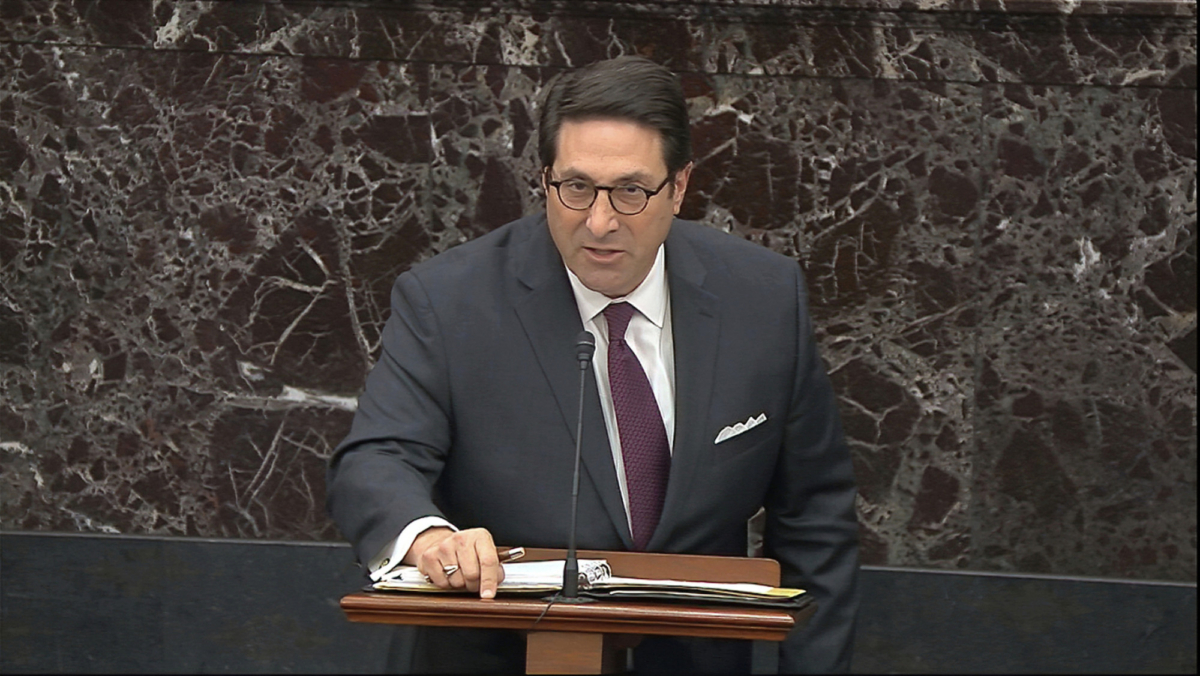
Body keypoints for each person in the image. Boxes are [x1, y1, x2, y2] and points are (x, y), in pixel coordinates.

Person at [327, 56, 860, 673]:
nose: (599, 222)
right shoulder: (449, 301)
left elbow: (815, 519)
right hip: (497, 652)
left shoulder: (763, 299)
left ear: (679, 187)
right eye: (576, 187)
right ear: (545, 179)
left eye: (631, 191)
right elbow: (376, 457)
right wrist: (427, 538)